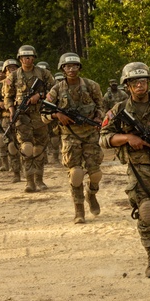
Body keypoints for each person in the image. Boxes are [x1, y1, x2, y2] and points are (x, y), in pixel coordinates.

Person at [101, 62, 150, 277]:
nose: (139, 85)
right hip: (138, 169)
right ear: (127, 85)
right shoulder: (119, 110)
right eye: (134, 82)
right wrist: (127, 138)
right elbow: (104, 138)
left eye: (143, 81)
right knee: (147, 211)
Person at [44, 53, 106, 224]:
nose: (71, 69)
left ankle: (91, 194)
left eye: (74, 66)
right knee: (76, 173)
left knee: (95, 174)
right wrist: (57, 115)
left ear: (79, 67)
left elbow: (101, 107)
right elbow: (44, 115)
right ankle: (79, 210)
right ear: (62, 69)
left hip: (90, 134)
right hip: (70, 136)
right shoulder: (56, 90)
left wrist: (98, 118)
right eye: (67, 66)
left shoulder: (92, 86)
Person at [5, 45, 55, 192]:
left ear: (34, 58)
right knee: (26, 148)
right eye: (24, 57)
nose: (27, 59)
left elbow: (54, 91)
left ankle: (39, 179)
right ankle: (29, 181)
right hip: (22, 116)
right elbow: (8, 97)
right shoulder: (12, 76)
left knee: (39, 148)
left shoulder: (44, 74)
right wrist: (12, 111)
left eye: (30, 56)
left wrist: (38, 96)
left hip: (39, 114)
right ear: (20, 59)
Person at [0, 59, 22, 182]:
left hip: (24, 118)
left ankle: (32, 176)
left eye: (14, 67)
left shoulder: (23, 82)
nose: (11, 70)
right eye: (9, 68)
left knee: (26, 145)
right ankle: (16, 172)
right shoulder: (0, 85)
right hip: (7, 118)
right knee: (11, 145)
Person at [46, 72, 66, 165]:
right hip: (54, 115)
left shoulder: (68, 87)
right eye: (58, 80)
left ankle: (63, 157)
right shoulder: (52, 89)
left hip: (66, 115)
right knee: (54, 137)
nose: (60, 81)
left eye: (61, 79)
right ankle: (55, 157)